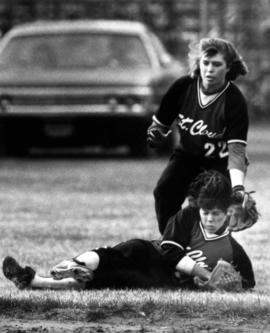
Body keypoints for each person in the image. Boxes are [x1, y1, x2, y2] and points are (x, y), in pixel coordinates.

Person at [2, 171, 255, 291]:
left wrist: (225, 284)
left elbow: (247, 282)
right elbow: (168, 250)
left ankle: (33, 281)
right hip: (151, 255)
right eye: (206, 212)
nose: (210, 218)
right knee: (122, 251)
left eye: (217, 214)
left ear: (227, 214)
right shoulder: (189, 215)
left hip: (161, 278)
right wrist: (203, 272)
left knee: (107, 279)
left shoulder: (233, 250)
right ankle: (72, 263)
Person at [147, 37, 250, 234]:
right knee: (164, 192)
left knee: (213, 204)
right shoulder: (183, 87)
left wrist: (237, 188)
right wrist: (155, 134)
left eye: (217, 64)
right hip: (186, 156)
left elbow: (237, 152)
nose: (210, 69)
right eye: (206, 62)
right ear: (198, 63)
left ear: (228, 67)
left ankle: (211, 251)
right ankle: (172, 246)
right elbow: (158, 124)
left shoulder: (234, 100)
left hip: (218, 162)